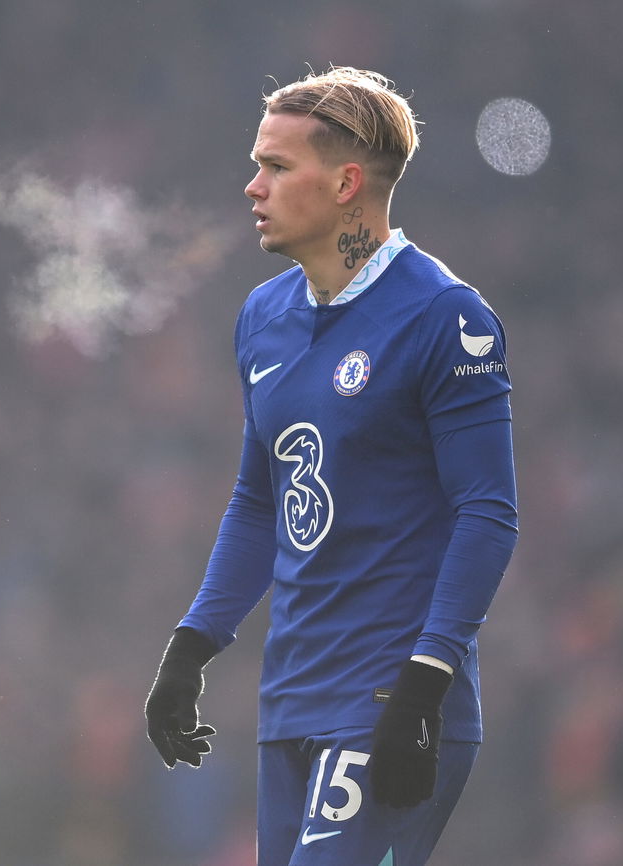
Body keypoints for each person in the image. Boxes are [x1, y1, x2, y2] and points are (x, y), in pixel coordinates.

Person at [145, 66, 519, 866]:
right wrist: (193, 645)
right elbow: (258, 502)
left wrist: (425, 684)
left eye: (277, 168)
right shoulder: (262, 318)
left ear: (348, 182)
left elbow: (487, 511)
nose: (253, 186)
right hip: (291, 701)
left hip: (391, 702)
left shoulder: (445, 316)